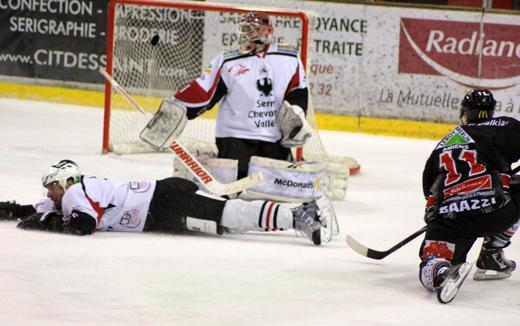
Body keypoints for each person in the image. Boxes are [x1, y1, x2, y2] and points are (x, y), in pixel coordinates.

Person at [2, 160, 336, 246]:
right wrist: (13, 211)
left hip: (165, 201)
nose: (48, 194)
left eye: (51, 188)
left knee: (228, 215)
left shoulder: (75, 193)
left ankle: (300, 214)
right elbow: (37, 209)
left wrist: (46, 225)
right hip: (160, 213)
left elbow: (84, 225)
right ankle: (296, 217)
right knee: (225, 219)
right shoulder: (70, 195)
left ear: (64, 181)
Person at [173, 11, 310, 179]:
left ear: (267, 31)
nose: (249, 33)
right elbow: (204, 91)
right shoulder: (228, 60)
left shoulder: (290, 58)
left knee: (274, 185)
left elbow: (298, 92)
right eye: (246, 29)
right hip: (235, 136)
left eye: (253, 29)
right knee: (237, 183)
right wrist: (178, 107)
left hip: (273, 138)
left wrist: (297, 112)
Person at [418, 89, 519, 297]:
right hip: (494, 211)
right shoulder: (505, 127)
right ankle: (492, 251)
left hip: (451, 219)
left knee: (432, 260)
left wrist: (435, 215)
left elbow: (429, 188)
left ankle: (440, 270)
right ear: (490, 112)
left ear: (464, 114)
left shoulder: (444, 144)